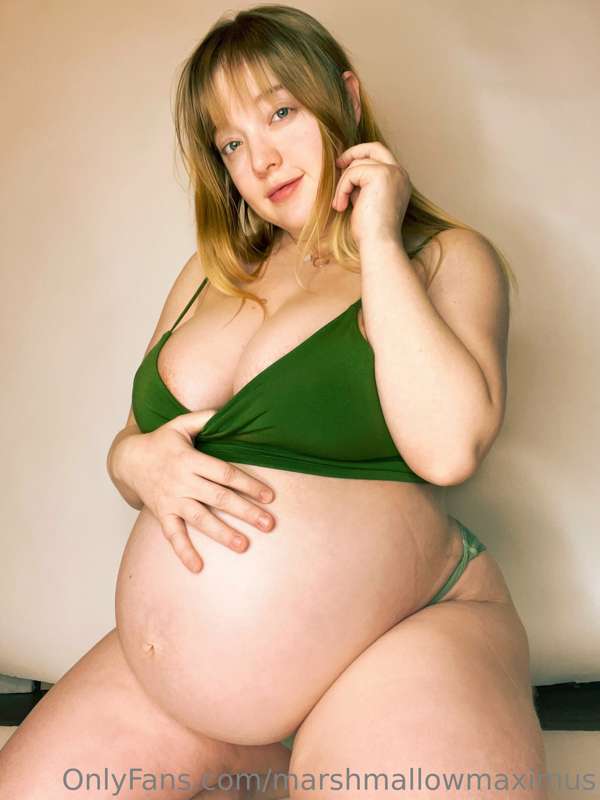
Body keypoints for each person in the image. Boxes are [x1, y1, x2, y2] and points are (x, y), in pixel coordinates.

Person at [0, 5, 549, 799]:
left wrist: (379, 239)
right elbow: (134, 445)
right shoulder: (208, 274)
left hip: (402, 639)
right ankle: (265, 751)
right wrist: (134, 463)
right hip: (193, 695)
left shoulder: (442, 259)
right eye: (230, 142)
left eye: (280, 113)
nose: (260, 159)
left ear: (346, 99)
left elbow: (448, 448)